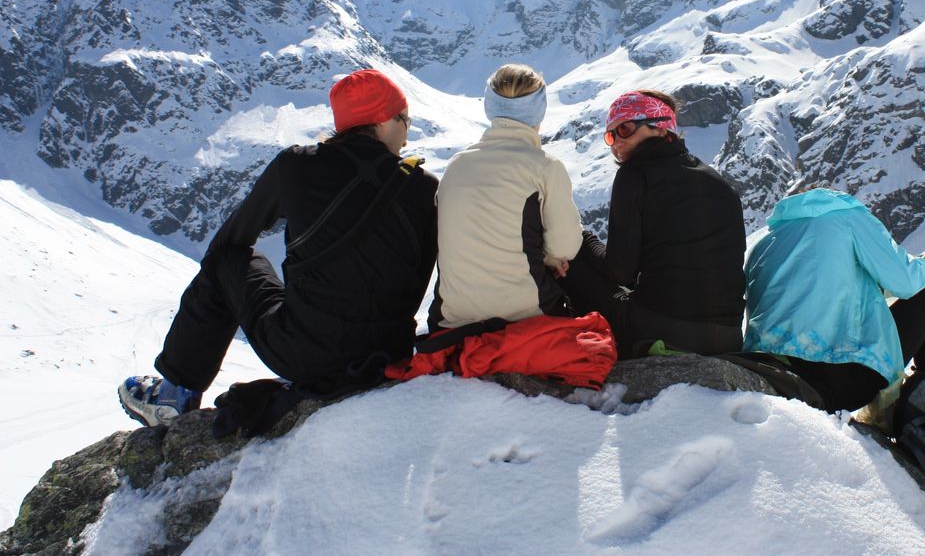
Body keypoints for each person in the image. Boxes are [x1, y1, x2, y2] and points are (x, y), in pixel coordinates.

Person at [118, 69, 439, 426]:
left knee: (227, 260)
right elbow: (425, 275)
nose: (408, 133)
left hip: (304, 355)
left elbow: (230, 241)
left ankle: (174, 394)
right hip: (389, 354)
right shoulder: (425, 187)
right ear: (381, 119)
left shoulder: (297, 166)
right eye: (404, 119)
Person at [561, 89, 746, 357]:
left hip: (665, 330)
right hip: (728, 337)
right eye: (611, 135)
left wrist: (584, 240)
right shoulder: (718, 182)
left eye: (625, 129)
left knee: (571, 261)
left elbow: (619, 271)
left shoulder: (635, 174)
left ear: (660, 128)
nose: (616, 143)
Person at [743, 187, 925, 413]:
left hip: (770, 367)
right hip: (835, 376)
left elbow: (819, 288)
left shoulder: (763, 243)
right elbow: (905, 281)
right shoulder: (847, 216)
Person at [429, 64, 582, 329]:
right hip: (526, 313)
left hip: (453, 317)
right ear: (539, 110)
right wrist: (548, 257)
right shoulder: (545, 166)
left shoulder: (456, 165)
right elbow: (565, 248)